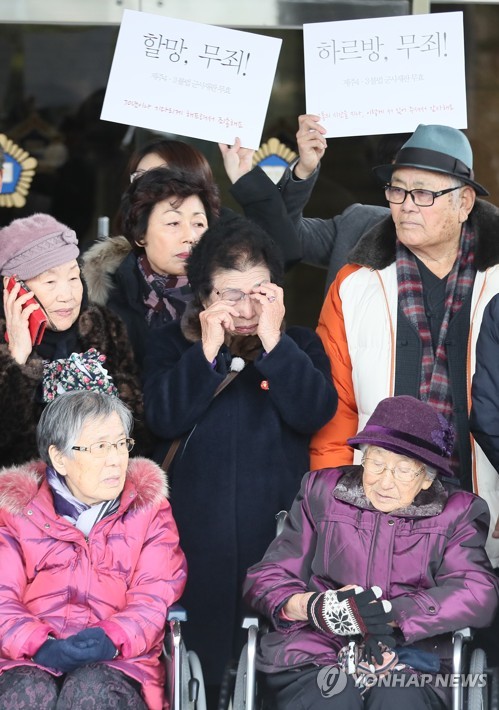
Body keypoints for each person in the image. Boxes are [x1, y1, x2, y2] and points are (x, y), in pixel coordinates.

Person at [142, 216, 337, 697]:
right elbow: (162, 419)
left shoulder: (300, 346)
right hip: (190, 538)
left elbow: (315, 411)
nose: (248, 308)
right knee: (195, 672)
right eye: (231, 294)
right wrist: (205, 352)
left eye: (261, 292)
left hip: (273, 538)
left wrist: (275, 344)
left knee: (266, 668)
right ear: (204, 296)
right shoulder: (169, 345)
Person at [308, 122, 499, 568]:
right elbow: (337, 411)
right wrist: (337, 508)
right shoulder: (355, 284)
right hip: (380, 510)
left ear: (464, 202)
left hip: (486, 497)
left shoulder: (497, 283)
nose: (407, 206)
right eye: (398, 191)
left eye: (424, 194)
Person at [244, 395, 499, 710]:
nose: (384, 481)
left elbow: (478, 591)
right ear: (363, 458)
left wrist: (391, 614)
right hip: (314, 653)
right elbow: (266, 577)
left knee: (397, 698)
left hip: (413, 660)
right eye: (376, 463)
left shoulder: (457, 512)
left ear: (427, 478)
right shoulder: (321, 491)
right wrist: (314, 607)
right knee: (333, 696)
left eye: (403, 470)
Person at [0, 390, 186, 710]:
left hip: (121, 663)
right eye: (100, 447)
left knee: (91, 690)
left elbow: (156, 594)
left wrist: (111, 638)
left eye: (120, 444)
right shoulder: (14, 511)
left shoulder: (149, 510)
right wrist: (39, 645)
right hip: (25, 660)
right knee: (28, 692)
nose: (115, 459)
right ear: (60, 458)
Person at [0, 213, 151, 467]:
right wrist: (18, 359)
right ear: (14, 290)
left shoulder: (103, 327)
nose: (67, 295)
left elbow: (137, 425)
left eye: (72, 277)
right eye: (50, 281)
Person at [83, 166, 219, 366]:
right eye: (173, 223)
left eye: (198, 224)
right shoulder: (103, 299)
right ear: (140, 235)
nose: (190, 237)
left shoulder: (227, 296)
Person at [276, 114, 389, 291]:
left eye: (422, 192)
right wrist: (303, 170)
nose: (408, 203)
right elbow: (287, 236)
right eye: (397, 187)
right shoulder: (360, 224)